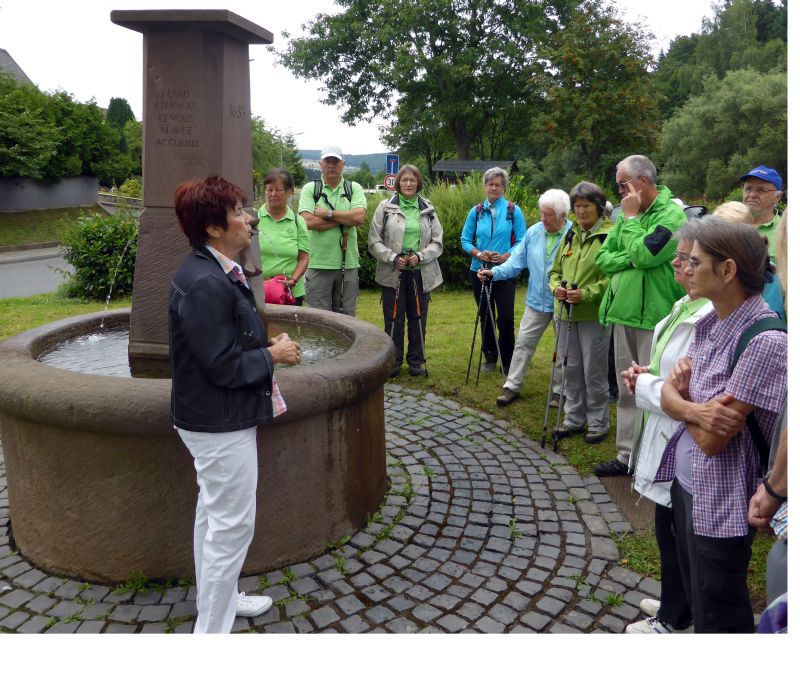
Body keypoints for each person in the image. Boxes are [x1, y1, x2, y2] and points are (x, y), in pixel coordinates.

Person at [169, 175, 301, 633]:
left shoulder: (211, 269)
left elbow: (221, 345)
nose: (249, 218)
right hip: (218, 422)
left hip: (212, 417)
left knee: (214, 517)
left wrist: (262, 346)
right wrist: (273, 354)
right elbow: (222, 366)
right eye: (239, 212)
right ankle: (211, 635)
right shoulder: (205, 282)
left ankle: (219, 601)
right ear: (212, 228)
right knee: (231, 527)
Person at [655, 218, 787, 633]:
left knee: (719, 610)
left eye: (695, 261)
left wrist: (680, 398)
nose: (686, 269)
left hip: (721, 497)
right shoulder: (712, 321)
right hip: (687, 482)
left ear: (727, 270)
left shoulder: (764, 341)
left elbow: (713, 440)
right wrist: (691, 405)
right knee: (698, 593)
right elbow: (676, 398)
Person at [622, 218, 713, 634]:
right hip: (663, 427)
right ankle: (675, 600)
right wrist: (651, 372)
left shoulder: (709, 316)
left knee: (677, 532)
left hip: (680, 439)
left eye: (685, 260)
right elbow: (670, 370)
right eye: (678, 259)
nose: (677, 268)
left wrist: (643, 383)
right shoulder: (684, 305)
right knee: (668, 528)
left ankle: (674, 620)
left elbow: (689, 391)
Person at [593, 155, 686, 476]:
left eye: (622, 185)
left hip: (654, 320)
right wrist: (632, 254)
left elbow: (647, 255)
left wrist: (631, 224)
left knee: (655, 391)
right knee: (626, 390)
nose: (618, 192)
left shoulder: (671, 215)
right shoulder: (625, 216)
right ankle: (626, 457)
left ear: (641, 182)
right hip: (623, 315)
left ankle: (655, 460)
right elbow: (603, 258)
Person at [476, 188, 570, 405]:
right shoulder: (535, 232)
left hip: (562, 301)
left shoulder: (572, 235)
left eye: (548, 214)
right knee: (524, 343)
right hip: (536, 300)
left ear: (563, 216)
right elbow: (516, 261)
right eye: (542, 213)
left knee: (564, 349)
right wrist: (494, 272)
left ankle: (560, 391)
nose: (543, 218)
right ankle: (512, 386)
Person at [547, 182, 612, 444]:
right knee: (570, 368)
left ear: (598, 207)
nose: (582, 212)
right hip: (565, 313)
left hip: (593, 315)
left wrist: (585, 294)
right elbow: (554, 272)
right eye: (577, 207)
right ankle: (573, 418)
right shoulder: (570, 235)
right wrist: (556, 288)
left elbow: (612, 277)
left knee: (594, 371)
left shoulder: (610, 235)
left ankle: (597, 422)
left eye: (586, 206)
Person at [368, 164, 444, 377]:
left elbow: (438, 242)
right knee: (394, 319)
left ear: (418, 183)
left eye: (412, 180)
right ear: (398, 183)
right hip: (393, 272)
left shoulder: (427, 208)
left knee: (418, 317)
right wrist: (393, 258)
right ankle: (392, 361)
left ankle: (416, 362)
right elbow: (374, 241)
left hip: (421, 272)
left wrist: (420, 256)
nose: (408, 184)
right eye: (404, 180)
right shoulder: (385, 207)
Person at [460, 167, 527, 375]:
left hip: (505, 271)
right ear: (485, 186)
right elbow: (464, 240)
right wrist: (478, 254)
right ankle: (490, 357)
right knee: (485, 315)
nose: (494, 188)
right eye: (490, 184)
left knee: (506, 317)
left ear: (504, 187)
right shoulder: (476, 211)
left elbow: (523, 240)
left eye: (498, 184)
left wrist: (506, 256)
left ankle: (508, 362)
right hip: (478, 270)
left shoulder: (513, 211)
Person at [298, 145, 367, 315]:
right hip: (317, 263)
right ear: (320, 164)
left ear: (342, 164)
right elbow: (306, 221)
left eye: (335, 161)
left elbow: (359, 218)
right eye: (327, 161)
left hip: (348, 264)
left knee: (347, 319)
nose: (331, 165)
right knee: (318, 321)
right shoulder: (311, 189)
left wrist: (327, 213)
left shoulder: (354, 188)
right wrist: (345, 220)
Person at [257, 168, 310, 305]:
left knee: (290, 327)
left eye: (278, 190)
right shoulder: (253, 219)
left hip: (291, 292)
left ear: (289, 192)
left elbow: (304, 258)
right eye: (269, 189)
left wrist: (293, 281)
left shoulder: (298, 222)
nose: (273, 194)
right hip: (259, 290)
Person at [740, 165, 783, 257]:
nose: (752, 195)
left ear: (777, 197)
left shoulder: (786, 231)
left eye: (761, 190)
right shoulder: (729, 223)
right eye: (748, 189)